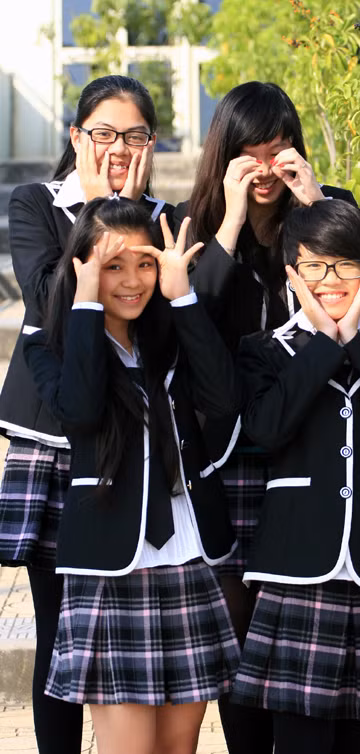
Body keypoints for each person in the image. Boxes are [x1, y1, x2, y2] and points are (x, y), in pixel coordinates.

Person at [174, 81, 360, 754]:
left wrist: (315, 204)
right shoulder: (196, 223)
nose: (265, 168)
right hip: (232, 452)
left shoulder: (331, 206)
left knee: (302, 634)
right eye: (250, 152)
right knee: (240, 635)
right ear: (224, 153)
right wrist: (230, 224)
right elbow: (188, 328)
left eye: (278, 149)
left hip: (315, 444)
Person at [22, 197, 240, 754]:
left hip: (187, 556)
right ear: (82, 266)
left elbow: (223, 400)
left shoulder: (172, 334)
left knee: (178, 747)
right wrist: (87, 305)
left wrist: (182, 295)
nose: (132, 280)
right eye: (112, 265)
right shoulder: (50, 346)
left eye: (144, 263)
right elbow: (81, 413)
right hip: (110, 566)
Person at [0, 74, 171, 754]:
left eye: (135, 135)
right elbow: (50, 304)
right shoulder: (36, 203)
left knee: (125, 631)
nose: (119, 147)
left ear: (152, 143)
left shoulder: (163, 218)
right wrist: (95, 213)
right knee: (58, 631)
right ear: (77, 137)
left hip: (135, 441)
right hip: (51, 438)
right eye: (104, 133)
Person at [232, 198, 360, 754]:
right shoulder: (265, 351)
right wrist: (326, 341)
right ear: (292, 273)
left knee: (358, 745)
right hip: (298, 567)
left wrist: (356, 338)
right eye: (314, 266)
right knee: (298, 744)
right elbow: (267, 428)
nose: (329, 280)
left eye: (345, 265)